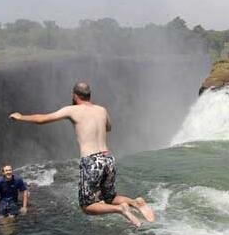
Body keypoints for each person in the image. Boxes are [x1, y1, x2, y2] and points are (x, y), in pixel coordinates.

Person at [9, 81, 154, 227]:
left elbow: (42, 119)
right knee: (109, 197)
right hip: (108, 159)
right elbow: (108, 127)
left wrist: (21, 117)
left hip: (92, 161)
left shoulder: (72, 110)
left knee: (86, 206)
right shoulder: (101, 110)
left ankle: (120, 209)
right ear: (89, 95)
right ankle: (134, 202)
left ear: (75, 95)